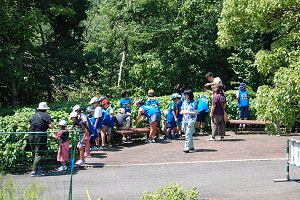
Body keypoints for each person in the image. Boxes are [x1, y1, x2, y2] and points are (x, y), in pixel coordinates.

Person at [28, 102, 54, 177]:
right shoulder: (46, 116)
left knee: (34, 152)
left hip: (31, 135)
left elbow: (29, 126)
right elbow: (52, 126)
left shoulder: (32, 116)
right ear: (46, 109)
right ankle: (35, 171)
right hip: (40, 135)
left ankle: (37, 168)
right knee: (38, 153)